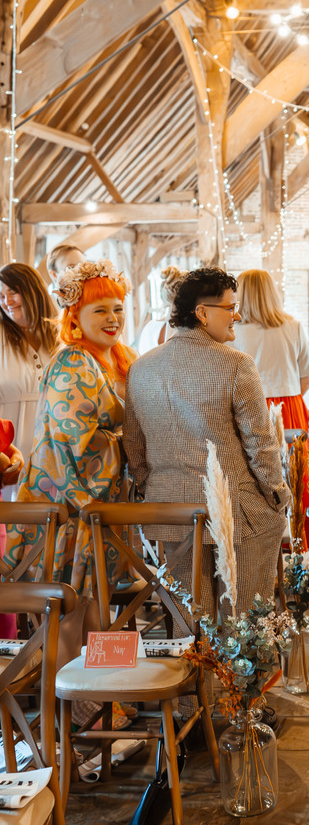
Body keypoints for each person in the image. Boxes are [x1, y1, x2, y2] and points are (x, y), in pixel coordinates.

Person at [123, 267, 286, 616]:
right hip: (235, 512)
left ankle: (196, 670)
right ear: (202, 313)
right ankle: (240, 670)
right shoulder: (236, 365)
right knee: (242, 620)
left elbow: (134, 448)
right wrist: (278, 495)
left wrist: (150, 486)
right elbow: (261, 445)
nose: (237, 315)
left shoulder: (140, 368)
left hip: (170, 513)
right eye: (230, 307)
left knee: (191, 621)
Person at [4, 260, 134, 591]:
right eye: (100, 310)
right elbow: (73, 442)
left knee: (90, 614)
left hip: (94, 505)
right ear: (75, 316)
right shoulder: (74, 361)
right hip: (70, 506)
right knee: (70, 612)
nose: (112, 318)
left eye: (118, 309)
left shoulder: (116, 358)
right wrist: (128, 443)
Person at [231, 269, 309, 429]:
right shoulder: (294, 326)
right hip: (289, 405)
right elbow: (307, 380)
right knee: (293, 453)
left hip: (248, 409)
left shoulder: (231, 331)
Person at [0, 262, 60, 480]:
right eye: (1, 296)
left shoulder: (61, 336)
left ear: (33, 291)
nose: (7, 301)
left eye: (12, 292)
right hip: (8, 456)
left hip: (55, 454)